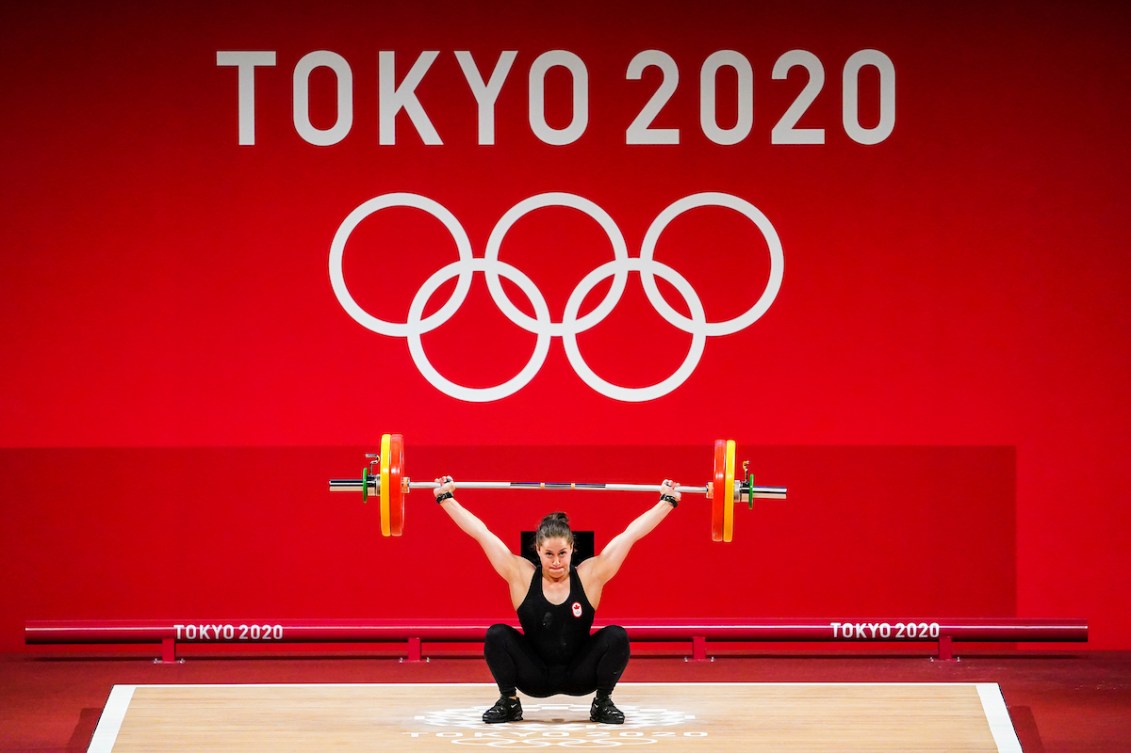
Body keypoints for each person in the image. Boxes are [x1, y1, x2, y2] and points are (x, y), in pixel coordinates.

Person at [432, 475, 682, 724]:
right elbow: (480, 533)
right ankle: (509, 702)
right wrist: (446, 498)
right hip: (533, 676)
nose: (556, 561)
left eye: (562, 553)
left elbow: (631, 534)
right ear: (538, 550)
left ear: (572, 548)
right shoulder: (520, 574)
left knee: (617, 636)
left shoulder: (590, 575)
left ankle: (602, 703)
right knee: (496, 635)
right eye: (549, 553)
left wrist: (667, 501)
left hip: (580, 675)